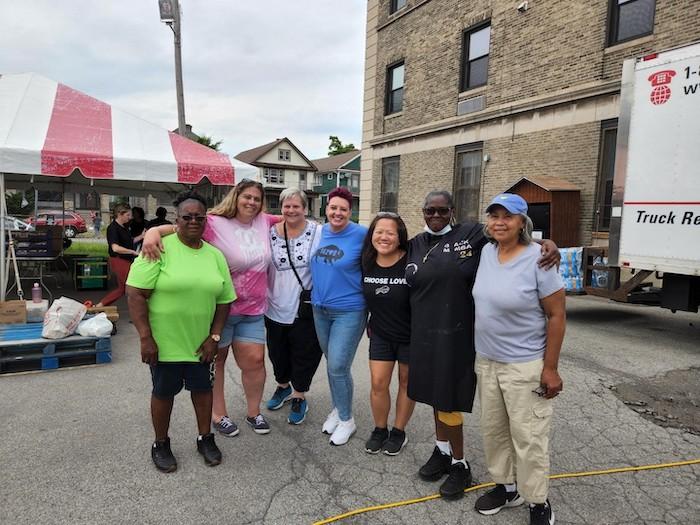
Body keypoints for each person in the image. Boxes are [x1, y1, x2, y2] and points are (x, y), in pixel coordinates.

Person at [405, 190, 560, 500]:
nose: (435, 216)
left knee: (454, 402)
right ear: (421, 212)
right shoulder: (423, 245)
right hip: (441, 341)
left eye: (442, 210)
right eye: (429, 210)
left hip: (473, 342)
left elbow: (555, 312)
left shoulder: (474, 235)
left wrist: (549, 243)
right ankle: (447, 452)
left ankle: (467, 467)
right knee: (448, 404)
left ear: (452, 211)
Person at [142, 179, 280, 437]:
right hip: (220, 309)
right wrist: (153, 233)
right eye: (246, 197)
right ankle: (219, 415)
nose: (252, 202)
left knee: (255, 361)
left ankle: (253, 412)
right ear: (235, 197)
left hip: (253, 309)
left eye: (257, 199)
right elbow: (180, 225)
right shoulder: (214, 222)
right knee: (216, 361)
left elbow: (292, 216)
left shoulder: (264, 220)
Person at [126, 191, 236, 473]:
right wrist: (146, 338)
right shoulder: (158, 248)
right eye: (187, 217)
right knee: (163, 393)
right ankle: (160, 444)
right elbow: (135, 293)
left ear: (206, 219)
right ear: (177, 219)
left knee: (203, 390)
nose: (194, 221)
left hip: (201, 344)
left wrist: (214, 337)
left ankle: (205, 439)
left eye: (200, 217)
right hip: (164, 344)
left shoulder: (215, 255)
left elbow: (224, 300)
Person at [472, 193, 565, 525]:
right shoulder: (486, 252)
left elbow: (556, 315)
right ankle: (506, 486)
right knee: (494, 431)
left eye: (507, 216)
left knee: (529, 437)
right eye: (494, 215)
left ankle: (537, 501)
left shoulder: (539, 259)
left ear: (522, 223)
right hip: (487, 361)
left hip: (524, 364)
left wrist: (550, 368)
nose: (499, 221)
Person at [310, 187, 367, 446]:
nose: (337, 212)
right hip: (319, 309)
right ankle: (337, 407)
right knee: (331, 362)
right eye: (333, 207)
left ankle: (347, 420)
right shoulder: (317, 233)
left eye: (343, 209)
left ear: (350, 211)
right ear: (326, 209)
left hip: (349, 310)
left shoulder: (362, 235)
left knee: (338, 366)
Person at [264, 188, 323, 425]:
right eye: (286, 206)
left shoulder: (317, 232)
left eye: (296, 206)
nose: (291, 210)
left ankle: (299, 395)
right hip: (274, 304)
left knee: (304, 353)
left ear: (305, 209)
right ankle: (282, 386)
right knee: (277, 352)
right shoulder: (269, 232)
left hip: (304, 307)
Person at [360, 212, 415, 455]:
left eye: (390, 232)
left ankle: (399, 431)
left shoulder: (413, 259)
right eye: (379, 232)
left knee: (406, 383)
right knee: (378, 384)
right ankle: (380, 429)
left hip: (411, 335)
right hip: (381, 334)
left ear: (399, 236)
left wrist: (544, 242)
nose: (384, 237)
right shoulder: (366, 260)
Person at [96, 203, 138, 307]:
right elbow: (115, 248)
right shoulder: (113, 228)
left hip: (125, 260)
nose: (130, 217)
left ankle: (100, 305)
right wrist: (132, 252)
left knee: (122, 289)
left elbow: (130, 241)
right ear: (120, 214)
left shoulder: (123, 227)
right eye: (128, 215)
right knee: (134, 286)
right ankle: (140, 310)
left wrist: (142, 236)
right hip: (119, 261)